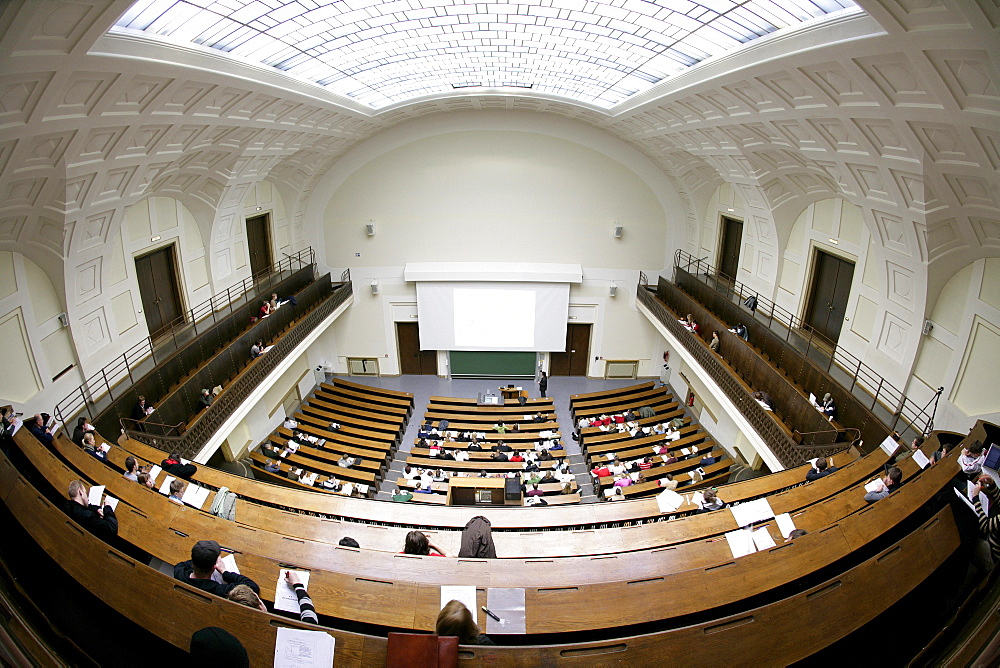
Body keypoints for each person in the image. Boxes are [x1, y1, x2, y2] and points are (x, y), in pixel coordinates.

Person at [173, 540, 260, 596]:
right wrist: (224, 572)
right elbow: (252, 587)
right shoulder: (217, 590)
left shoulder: (179, 572)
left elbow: (182, 564)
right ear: (214, 567)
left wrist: (201, 557)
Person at [970, 475, 1000, 563]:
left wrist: (975, 497)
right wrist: (992, 484)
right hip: (994, 539)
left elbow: (984, 526)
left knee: (971, 542)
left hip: (994, 556)